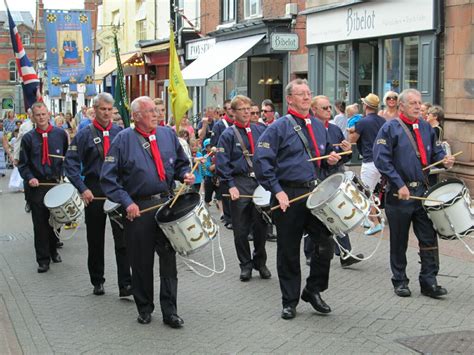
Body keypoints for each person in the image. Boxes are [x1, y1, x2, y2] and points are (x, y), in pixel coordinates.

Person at [100, 96, 194, 327]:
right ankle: (144, 307)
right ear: (136, 116)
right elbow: (108, 178)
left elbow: (181, 163)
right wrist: (126, 202)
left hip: (166, 205)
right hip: (138, 208)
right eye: (150, 111)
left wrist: (185, 175)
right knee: (141, 262)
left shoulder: (167, 134)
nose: (156, 114)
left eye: (156, 110)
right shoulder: (123, 140)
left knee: (169, 261)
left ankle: (170, 311)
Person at [254, 79, 341, 320]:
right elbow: (262, 162)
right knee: (288, 250)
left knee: (325, 244)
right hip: (289, 195)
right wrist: (277, 190)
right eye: (301, 94)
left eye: (308, 93)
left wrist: (331, 159)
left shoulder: (319, 125)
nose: (306, 97)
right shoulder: (278, 127)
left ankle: (313, 290)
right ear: (290, 99)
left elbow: (321, 157)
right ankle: (289, 301)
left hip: (315, 193)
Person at [373, 88, 455, 299]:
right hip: (399, 193)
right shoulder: (390, 128)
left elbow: (436, 153)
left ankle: (429, 281)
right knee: (399, 240)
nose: (419, 106)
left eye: (420, 103)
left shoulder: (426, 127)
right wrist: (398, 184)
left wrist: (445, 160)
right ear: (401, 106)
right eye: (413, 103)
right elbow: (382, 160)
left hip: (423, 191)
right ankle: (400, 280)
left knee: (428, 237)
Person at [64, 92, 132, 297]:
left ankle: (125, 284)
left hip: (117, 190)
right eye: (102, 109)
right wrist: (82, 188)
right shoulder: (84, 134)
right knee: (95, 239)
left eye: (110, 109)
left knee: (123, 239)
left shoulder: (121, 133)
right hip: (94, 190)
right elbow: (71, 164)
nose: (106, 113)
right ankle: (97, 280)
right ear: (94, 109)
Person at [216, 95, 271, 281]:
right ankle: (245, 265)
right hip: (239, 183)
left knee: (262, 226)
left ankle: (260, 262)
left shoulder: (261, 129)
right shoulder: (228, 135)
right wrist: (230, 185)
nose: (247, 112)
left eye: (249, 108)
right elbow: (223, 164)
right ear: (233, 112)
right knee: (240, 229)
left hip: (260, 183)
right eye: (242, 109)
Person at [309, 95, 364, 267]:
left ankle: (345, 253)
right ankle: (310, 253)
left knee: (338, 214)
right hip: (314, 177)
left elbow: (343, 157)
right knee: (315, 217)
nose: (328, 111)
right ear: (314, 110)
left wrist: (346, 153)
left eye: (329, 108)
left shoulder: (334, 129)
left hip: (333, 176)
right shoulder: (307, 128)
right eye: (324, 108)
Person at [18, 102, 69, 273]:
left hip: (55, 184)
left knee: (55, 221)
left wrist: (63, 172)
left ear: (49, 114)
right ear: (32, 117)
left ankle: (53, 250)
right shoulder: (28, 138)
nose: (41, 118)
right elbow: (23, 165)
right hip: (37, 186)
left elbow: (66, 158)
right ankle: (43, 259)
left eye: (43, 114)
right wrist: (30, 177)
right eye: (37, 115)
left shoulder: (60, 134)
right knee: (40, 224)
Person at [348, 93, 387, 235]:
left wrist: (351, 130)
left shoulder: (362, 122)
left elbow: (352, 140)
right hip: (382, 161)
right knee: (371, 192)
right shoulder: (383, 120)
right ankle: (369, 219)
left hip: (370, 161)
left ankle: (375, 223)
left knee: (364, 194)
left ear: (365, 106)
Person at [210, 99, 234, 229]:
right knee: (225, 190)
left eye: (233, 108)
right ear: (225, 110)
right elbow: (214, 145)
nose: (232, 110)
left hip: (235, 162)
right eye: (229, 108)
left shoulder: (238, 123)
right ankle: (228, 217)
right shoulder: (219, 125)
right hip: (224, 161)